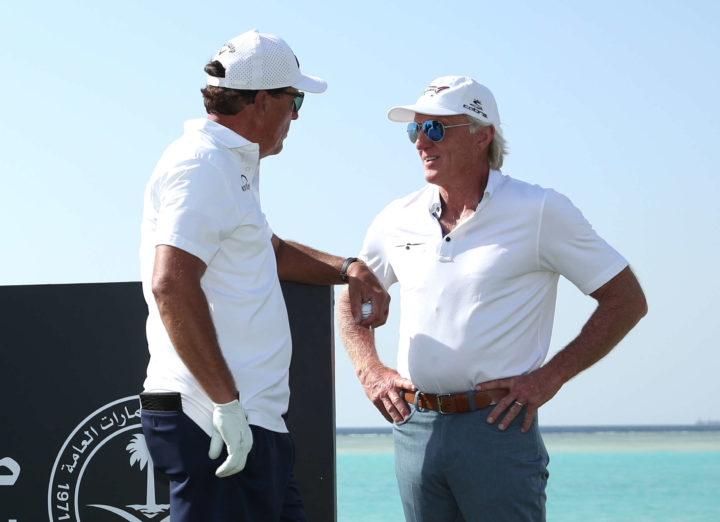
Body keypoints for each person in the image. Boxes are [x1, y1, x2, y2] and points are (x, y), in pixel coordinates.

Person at [337, 75, 647, 521]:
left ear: (483, 136)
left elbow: (626, 300)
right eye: (415, 129)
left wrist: (550, 377)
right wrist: (370, 371)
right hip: (415, 428)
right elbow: (352, 297)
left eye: (437, 128)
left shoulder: (540, 210)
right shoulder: (395, 218)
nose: (421, 141)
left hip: (497, 427)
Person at [139, 30, 388, 521]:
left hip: (242, 419)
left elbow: (268, 251)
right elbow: (171, 283)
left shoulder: (229, 162)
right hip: (213, 418)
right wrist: (227, 404)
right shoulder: (203, 163)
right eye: (293, 100)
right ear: (259, 103)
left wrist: (348, 267)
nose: (296, 114)